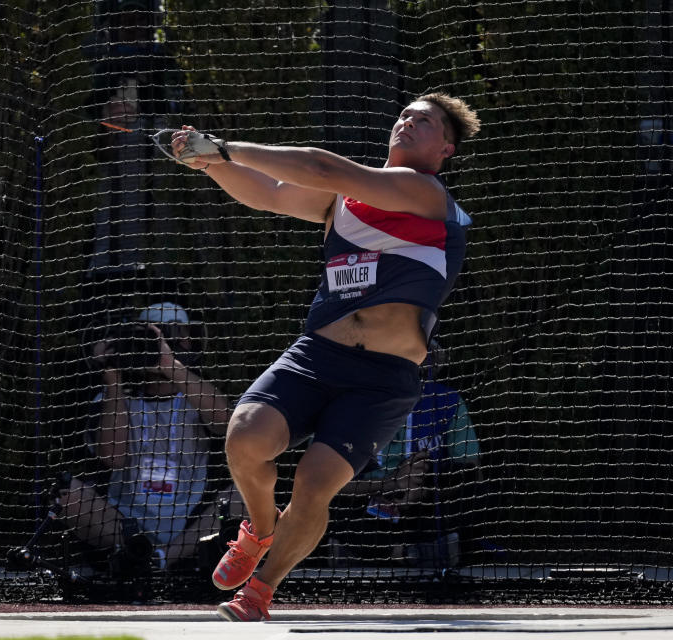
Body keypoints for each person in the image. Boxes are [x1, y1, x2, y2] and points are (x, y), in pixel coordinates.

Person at [170, 92, 480, 620]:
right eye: (403, 113)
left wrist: (226, 148)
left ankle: (260, 592)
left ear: (445, 148)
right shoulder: (342, 203)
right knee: (245, 436)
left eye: (423, 121)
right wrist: (209, 164)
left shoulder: (424, 192)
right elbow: (268, 194)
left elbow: (318, 164)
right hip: (316, 356)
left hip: (381, 379)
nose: (406, 121)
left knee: (314, 485)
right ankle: (259, 531)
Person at [56, 301, 242, 571]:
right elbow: (113, 458)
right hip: (122, 522)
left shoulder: (197, 395)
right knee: (66, 495)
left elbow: (226, 421)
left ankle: (163, 558)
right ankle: (137, 552)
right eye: (158, 337)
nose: (169, 342)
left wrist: (170, 364)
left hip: (191, 524)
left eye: (180, 335)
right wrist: (112, 375)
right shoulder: (114, 398)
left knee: (247, 494)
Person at [341, 353, 481, 567]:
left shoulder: (447, 401)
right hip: (367, 506)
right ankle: (395, 551)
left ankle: (412, 549)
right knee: (337, 510)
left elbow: (471, 470)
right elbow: (323, 483)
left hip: (428, 505)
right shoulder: (347, 405)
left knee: (470, 499)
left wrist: (424, 488)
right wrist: (393, 482)